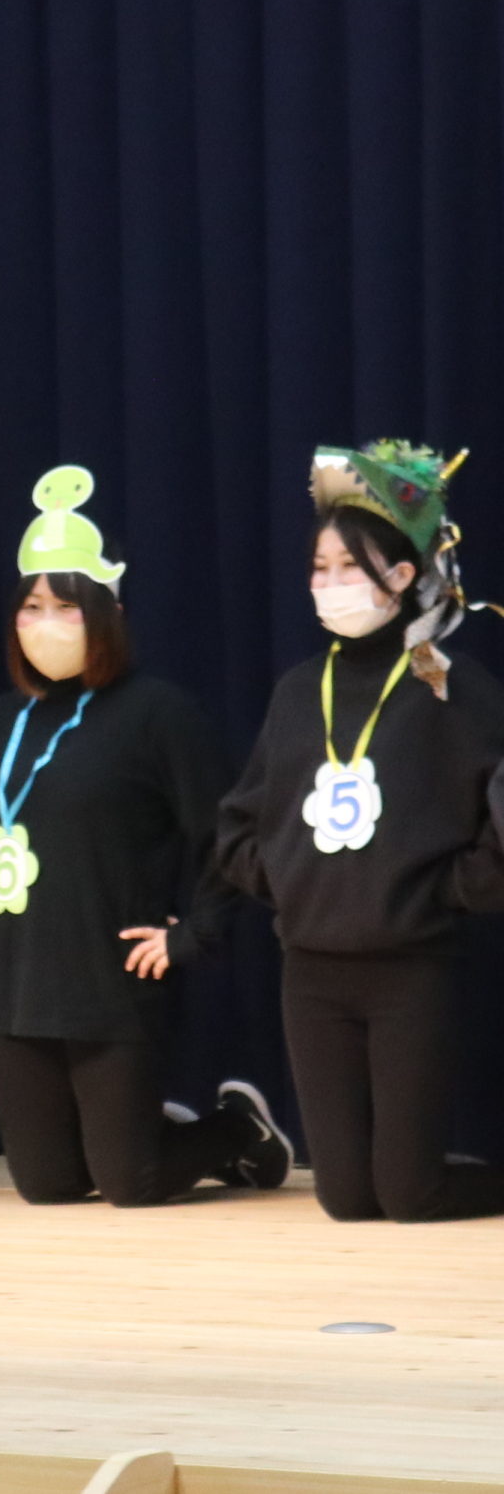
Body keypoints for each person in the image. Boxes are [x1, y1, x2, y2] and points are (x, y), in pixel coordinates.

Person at [0, 466, 290, 1205]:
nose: (44, 623)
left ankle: (233, 1130)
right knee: (47, 1185)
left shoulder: (157, 713)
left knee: (129, 1183)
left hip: (110, 985)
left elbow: (225, 831)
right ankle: (135, 1128)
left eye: (64, 607)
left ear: (107, 613)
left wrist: (194, 934)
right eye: (30, 608)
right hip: (19, 980)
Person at [216, 441, 504, 1222]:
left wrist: (447, 889)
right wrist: (289, 880)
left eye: (350, 567)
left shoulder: (451, 686)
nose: (331, 583)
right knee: (345, 1198)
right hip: (312, 973)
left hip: (410, 969)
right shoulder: (298, 689)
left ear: (402, 575)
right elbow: (239, 823)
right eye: (320, 568)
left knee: (408, 1194)